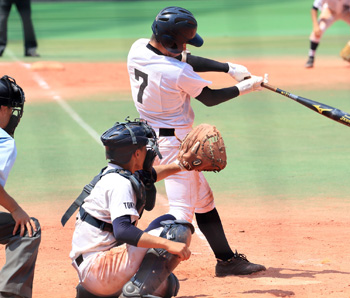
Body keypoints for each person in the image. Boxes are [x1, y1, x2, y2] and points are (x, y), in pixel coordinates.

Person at [127, 6, 267, 277]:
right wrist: (246, 87)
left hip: (149, 140)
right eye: (182, 42)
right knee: (181, 215)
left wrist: (229, 68)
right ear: (170, 42)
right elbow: (210, 98)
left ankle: (227, 261)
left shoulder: (138, 48)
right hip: (177, 147)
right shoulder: (175, 73)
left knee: (203, 200)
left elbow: (184, 58)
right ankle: (148, 276)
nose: (185, 47)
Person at [66, 119, 194, 298]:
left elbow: (150, 176)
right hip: (99, 270)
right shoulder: (120, 184)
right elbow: (123, 231)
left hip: (94, 269)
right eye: (145, 147)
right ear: (136, 154)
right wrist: (169, 243)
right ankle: (132, 294)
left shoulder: (116, 173)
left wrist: (183, 165)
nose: (150, 151)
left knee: (168, 284)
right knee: (176, 231)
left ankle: (94, 294)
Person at [0, 75, 41, 298]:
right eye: (12, 109)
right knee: (28, 230)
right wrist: (16, 210)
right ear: (2, 109)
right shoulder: (3, 141)